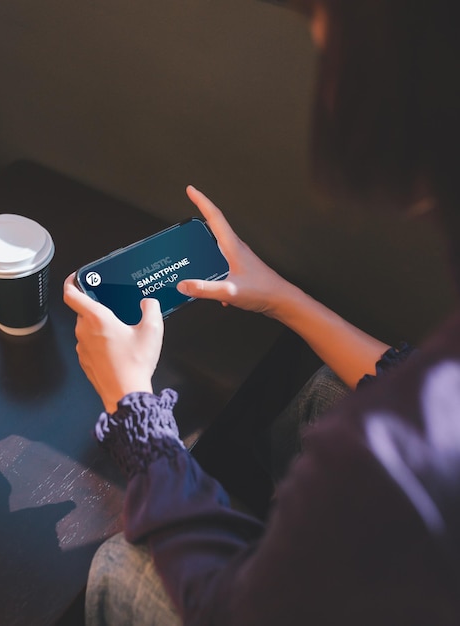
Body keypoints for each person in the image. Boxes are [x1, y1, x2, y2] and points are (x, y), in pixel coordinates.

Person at [63, 0, 460, 623]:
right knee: (327, 387)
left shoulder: (386, 460)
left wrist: (133, 405)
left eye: (328, 52)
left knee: (118, 567)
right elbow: (426, 385)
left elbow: (228, 611)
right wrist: (282, 297)